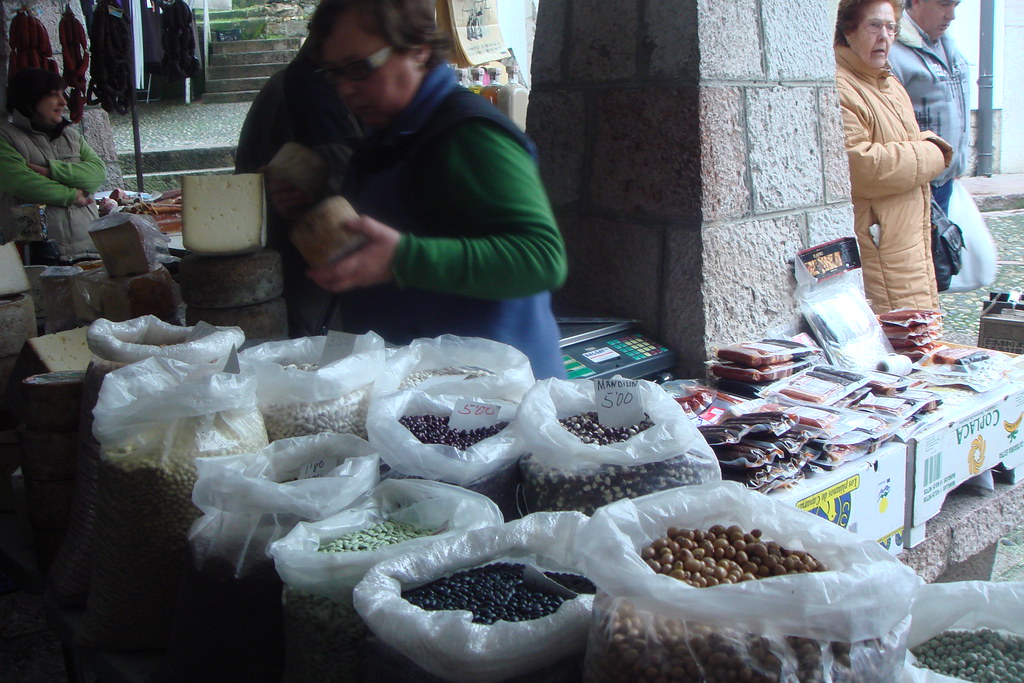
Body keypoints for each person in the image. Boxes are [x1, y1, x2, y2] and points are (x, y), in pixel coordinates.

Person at [274, 0, 568, 379]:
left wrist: (404, 259)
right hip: (425, 388)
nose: (346, 89)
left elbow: (542, 258)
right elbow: (399, 225)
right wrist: (312, 216)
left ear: (418, 49)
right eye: (334, 74)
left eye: (361, 68)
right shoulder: (389, 135)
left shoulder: (470, 136)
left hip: (493, 394)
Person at [235, 24, 362, 338]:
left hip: (305, 280)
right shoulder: (309, 88)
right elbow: (341, 204)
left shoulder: (313, 80)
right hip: (311, 288)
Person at [834, 0, 953, 315]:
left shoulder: (888, 82)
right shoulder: (843, 86)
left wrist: (927, 150)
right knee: (898, 341)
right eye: (874, 26)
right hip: (881, 246)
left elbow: (902, 149)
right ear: (848, 30)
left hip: (909, 239)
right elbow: (862, 166)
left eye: (891, 27)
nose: (885, 36)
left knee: (920, 337)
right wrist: (934, 153)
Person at [0, 68, 105, 263]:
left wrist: (51, 171)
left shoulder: (71, 135)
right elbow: (22, 184)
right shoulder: (5, 138)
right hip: (36, 256)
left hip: (88, 249)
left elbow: (96, 173)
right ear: (29, 100)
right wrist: (73, 195)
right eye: (52, 95)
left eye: (61, 94)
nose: (63, 102)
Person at [889, 0, 969, 216]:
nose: (951, 15)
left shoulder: (946, 44)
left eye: (956, 5)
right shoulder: (893, 51)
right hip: (917, 186)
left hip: (945, 181)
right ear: (916, 3)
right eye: (944, 5)